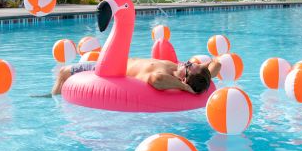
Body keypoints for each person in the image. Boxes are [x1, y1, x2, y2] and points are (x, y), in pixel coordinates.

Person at [51, 58, 220, 96]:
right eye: (192, 62)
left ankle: (53, 97)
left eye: (189, 66)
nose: (187, 62)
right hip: (115, 60)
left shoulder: (165, 76)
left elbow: (156, 80)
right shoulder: (178, 69)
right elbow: (216, 64)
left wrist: (185, 88)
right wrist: (205, 73)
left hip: (108, 69)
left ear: (184, 79)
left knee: (63, 72)